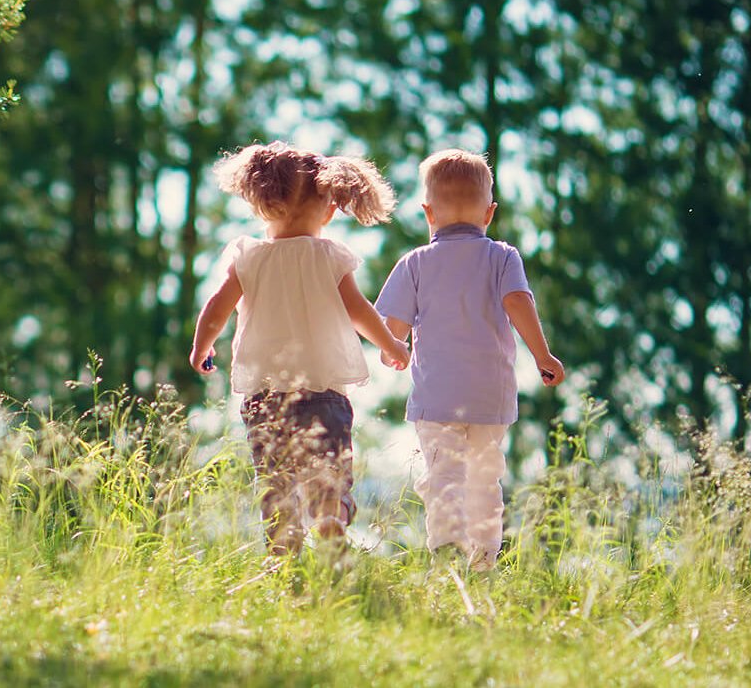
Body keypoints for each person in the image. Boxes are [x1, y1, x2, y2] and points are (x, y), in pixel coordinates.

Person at [190, 141, 410, 556]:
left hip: (265, 395)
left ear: (264, 203)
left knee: (275, 481)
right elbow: (358, 311)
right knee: (326, 469)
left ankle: (282, 558)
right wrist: (392, 344)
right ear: (329, 209)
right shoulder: (327, 255)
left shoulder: (248, 257)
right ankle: (328, 516)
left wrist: (202, 346)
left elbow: (216, 308)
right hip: (323, 391)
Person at [374, 149, 565, 570]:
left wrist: (394, 351)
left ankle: (446, 553)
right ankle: (483, 562)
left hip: (437, 397)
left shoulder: (416, 263)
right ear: (489, 213)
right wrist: (542, 354)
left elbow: (391, 327)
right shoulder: (502, 256)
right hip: (488, 398)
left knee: (444, 478)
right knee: (485, 480)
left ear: (428, 213)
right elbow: (517, 301)